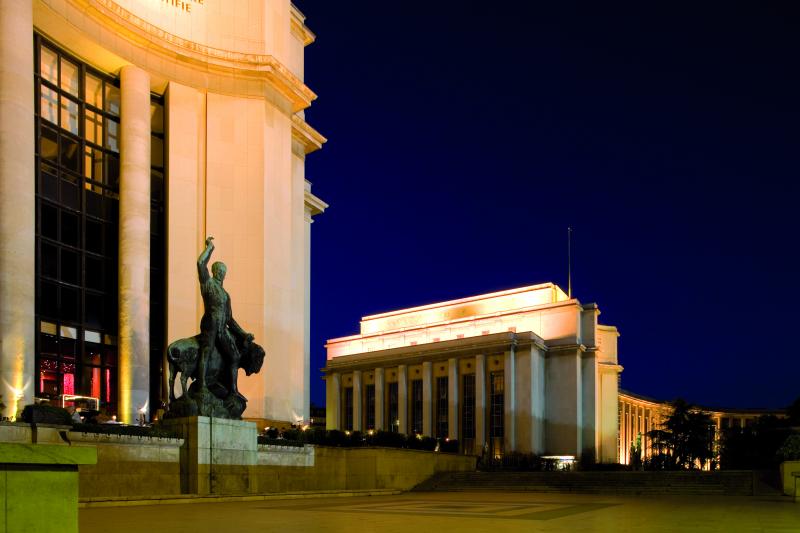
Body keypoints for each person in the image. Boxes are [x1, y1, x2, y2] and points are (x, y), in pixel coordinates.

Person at [196, 236, 253, 396]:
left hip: (222, 328)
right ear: (213, 271)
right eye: (219, 270)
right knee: (206, 352)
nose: (221, 273)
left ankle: (233, 390)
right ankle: (202, 386)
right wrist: (210, 247)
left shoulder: (226, 295)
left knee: (235, 356)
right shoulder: (207, 284)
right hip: (210, 324)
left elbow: (230, 319)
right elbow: (200, 264)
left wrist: (243, 334)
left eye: (223, 272)